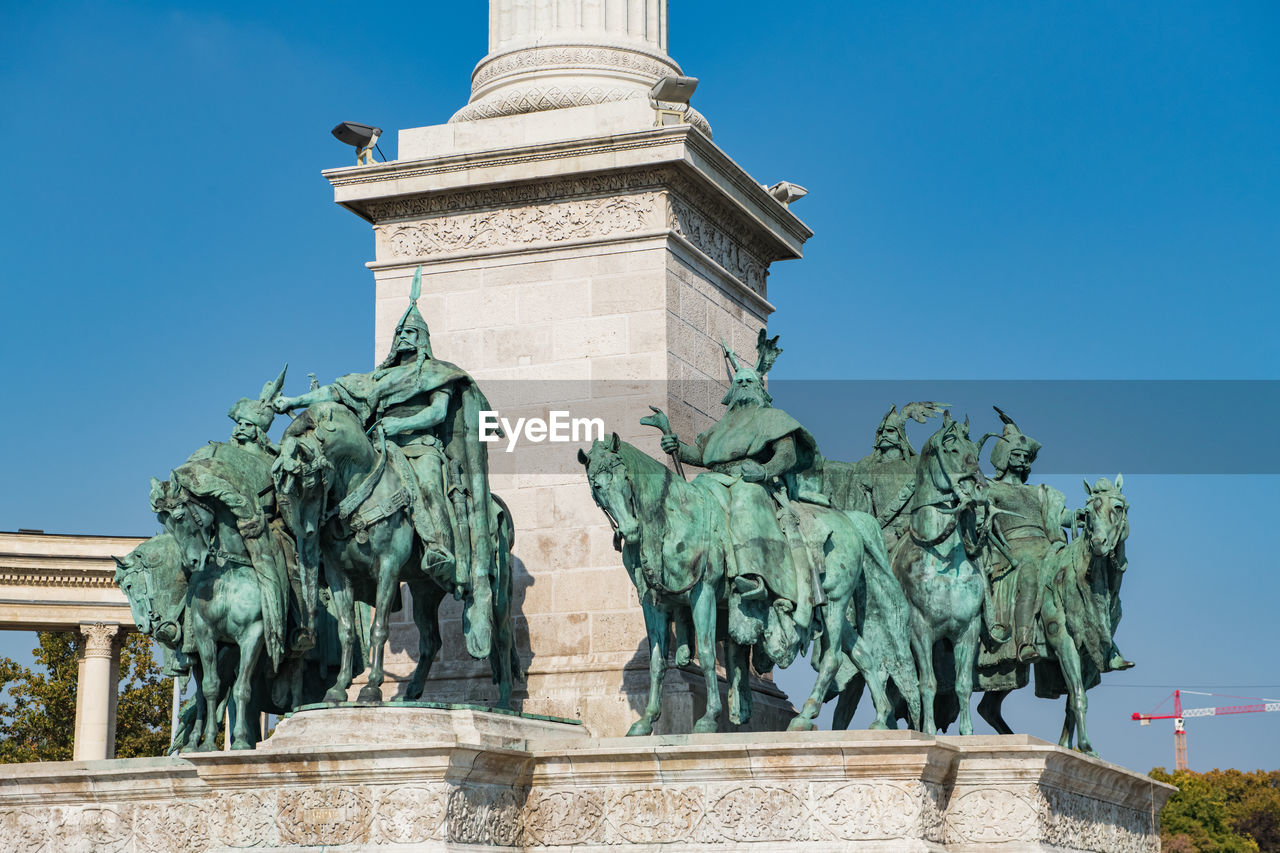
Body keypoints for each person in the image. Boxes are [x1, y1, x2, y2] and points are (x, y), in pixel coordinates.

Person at [272, 268, 501, 658]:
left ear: (424, 340)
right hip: (383, 446)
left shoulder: (435, 373)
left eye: (412, 335)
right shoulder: (379, 379)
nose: (405, 340)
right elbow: (336, 392)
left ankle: (437, 548)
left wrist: (400, 422)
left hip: (421, 446)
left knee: (428, 481)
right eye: (402, 335)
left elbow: (437, 413)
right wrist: (293, 402)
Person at [658, 330, 825, 665]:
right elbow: (702, 454)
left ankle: (752, 578)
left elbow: (786, 454)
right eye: (742, 381)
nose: (746, 384)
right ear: (733, 391)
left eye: (751, 381)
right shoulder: (723, 426)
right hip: (716, 480)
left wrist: (763, 472)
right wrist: (676, 445)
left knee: (747, 502)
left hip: (752, 482)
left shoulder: (771, 418)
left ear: (759, 389)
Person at [980, 407, 1069, 678]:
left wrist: (1083, 515)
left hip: (1048, 547)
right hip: (1013, 550)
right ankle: (1024, 642)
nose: (1022, 459)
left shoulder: (1037, 492)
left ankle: (1097, 643)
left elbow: (1059, 516)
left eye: (1025, 456)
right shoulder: (991, 488)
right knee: (1029, 572)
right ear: (1004, 458)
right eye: (1016, 455)